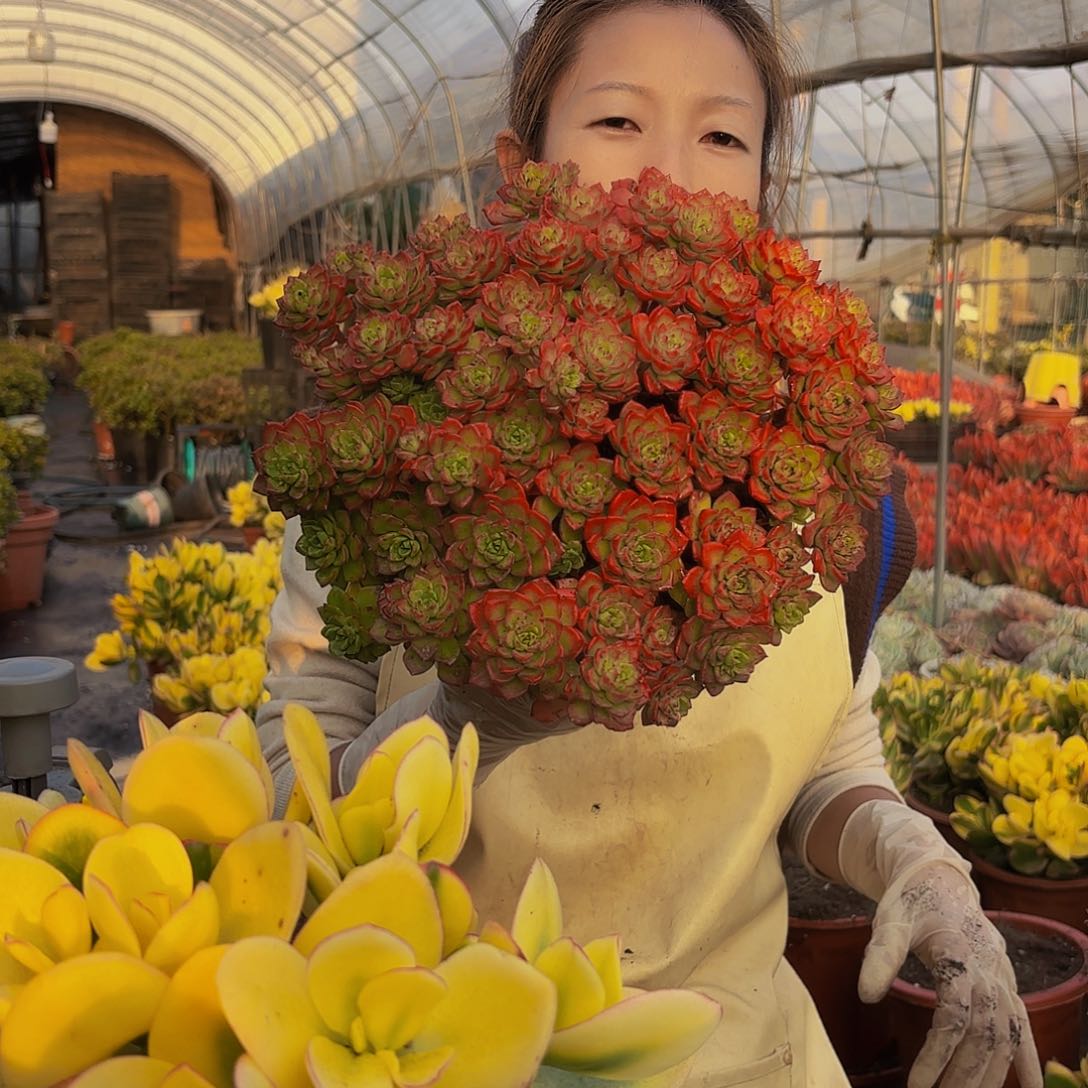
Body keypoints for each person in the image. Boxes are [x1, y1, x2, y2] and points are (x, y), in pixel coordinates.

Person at [256, 3, 1042, 1085]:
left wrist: (911, 859)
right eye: (618, 120)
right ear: (520, 167)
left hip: (745, 1056)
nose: (669, 175)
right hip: (424, 1051)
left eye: (721, 135)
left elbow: (825, 761)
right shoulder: (388, 463)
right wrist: (456, 720)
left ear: (762, 186)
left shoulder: (815, 473)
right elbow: (282, 807)